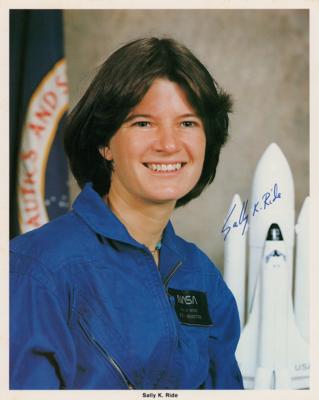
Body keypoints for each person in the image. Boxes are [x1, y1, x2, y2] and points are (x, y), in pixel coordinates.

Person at [10, 37, 244, 389]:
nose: (168, 144)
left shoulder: (201, 276)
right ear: (105, 143)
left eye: (188, 123)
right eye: (143, 123)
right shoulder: (37, 268)